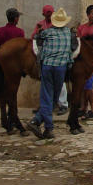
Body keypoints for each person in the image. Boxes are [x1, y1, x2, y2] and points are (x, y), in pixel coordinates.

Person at [26, 7, 73, 139]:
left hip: (47, 66)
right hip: (61, 68)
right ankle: (46, 127)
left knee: (47, 96)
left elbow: (36, 36)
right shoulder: (68, 33)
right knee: (54, 97)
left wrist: (39, 30)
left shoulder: (47, 32)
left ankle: (38, 122)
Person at [31, 5, 68, 116]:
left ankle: (62, 104)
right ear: (44, 14)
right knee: (46, 84)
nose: (49, 14)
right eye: (47, 13)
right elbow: (34, 36)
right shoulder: (41, 24)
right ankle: (46, 106)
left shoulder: (55, 26)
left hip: (51, 58)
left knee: (60, 85)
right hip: (46, 54)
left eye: (51, 13)